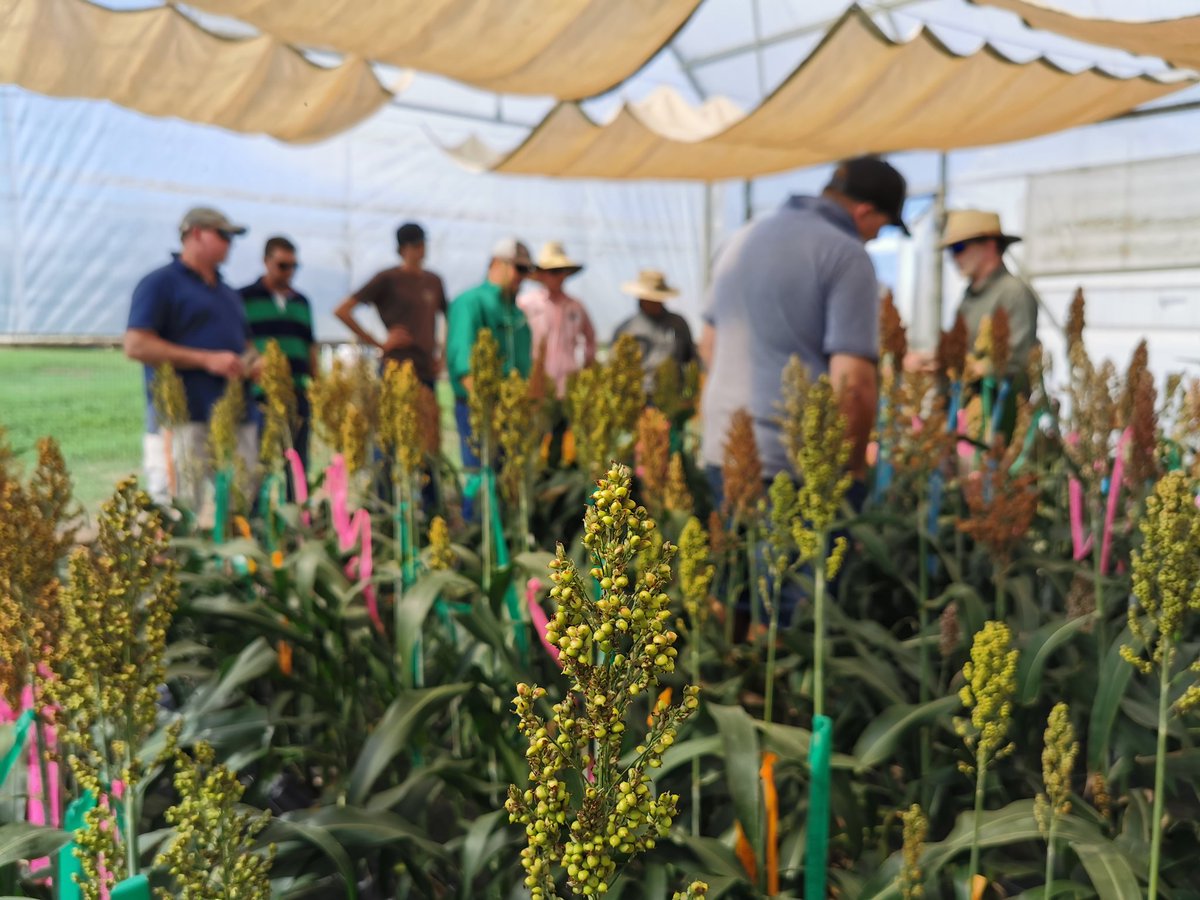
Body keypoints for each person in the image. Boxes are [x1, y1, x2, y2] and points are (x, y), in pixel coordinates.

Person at [701, 154, 908, 497]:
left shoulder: (740, 239)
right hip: (792, 468)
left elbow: (709, 345)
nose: (874, 237)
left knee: (730, 551)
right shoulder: (847, 255)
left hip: (721, 452)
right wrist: (853, 474)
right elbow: (853, 383)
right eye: (881, 226)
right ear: (864, 212)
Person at [125, 206, 258, 508]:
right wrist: (206, 360)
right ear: (195, 233)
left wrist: (254, 362)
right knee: (179, 510)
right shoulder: (161, 284)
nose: (230, 243)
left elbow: (245, 345)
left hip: (235, 418)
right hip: (183, 419)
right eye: (223, 235)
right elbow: (136, 345)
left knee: (241, 507)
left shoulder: (228, 293)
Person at [909, 210, 1039, 382]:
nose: (954, 257)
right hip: (967, 402)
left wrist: (969, 369)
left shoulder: (1013, 292)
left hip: (999, 405)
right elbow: (964, 349)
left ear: (990, 245)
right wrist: (931, 359)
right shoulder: (970, 295)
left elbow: (1017, 361)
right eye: (950, 250)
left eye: (959, 247)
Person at [446, 238, 534, 469]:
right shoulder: (470, 302)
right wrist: (489, 412)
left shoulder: (518, 314)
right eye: (520, 268)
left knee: (511, 484)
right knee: (483, 480)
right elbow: (463, 362)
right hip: (479, 408)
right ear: (497, 263)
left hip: (513, 410)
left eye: (528, 270)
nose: (523, 276)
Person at [334, 222, 447, 388]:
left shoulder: (434, 281)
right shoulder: (388, 279)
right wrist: (379, 344)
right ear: (402, 249)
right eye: (415, 245)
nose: (420, 249)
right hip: (396, 366)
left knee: (428, 413)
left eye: (422, 244)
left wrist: (442, 356)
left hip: (426, 369)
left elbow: (450, 317)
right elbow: (342, 311)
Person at [239, 236, 317, 472]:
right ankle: (253, 509)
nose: (289, 272)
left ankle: (297, 506)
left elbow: (309, 346)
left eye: (294, 266)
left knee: (297, 463)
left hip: (297, 392)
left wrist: (316, 385)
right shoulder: (243, 297)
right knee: (257, 463)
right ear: (266, 261)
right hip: (260, 394)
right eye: (283, 265)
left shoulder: (301, 301)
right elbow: (237, 341)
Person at [518, 241, 596, 397]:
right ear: (542, 274)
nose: (559, 276)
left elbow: (590, 339)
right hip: (535, 384)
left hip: (568, 386)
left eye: (562, 271)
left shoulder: (576, 307)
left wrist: (586, 368)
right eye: (554, 271)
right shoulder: (525, 304)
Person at [613, 269, 696, 394]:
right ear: (641, 298)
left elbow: (692, 358)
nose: (654, 302)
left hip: (674, 393)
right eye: (650, 298)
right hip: (638, 395)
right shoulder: (627, 329)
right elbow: (616, 368)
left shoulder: (678, 324)